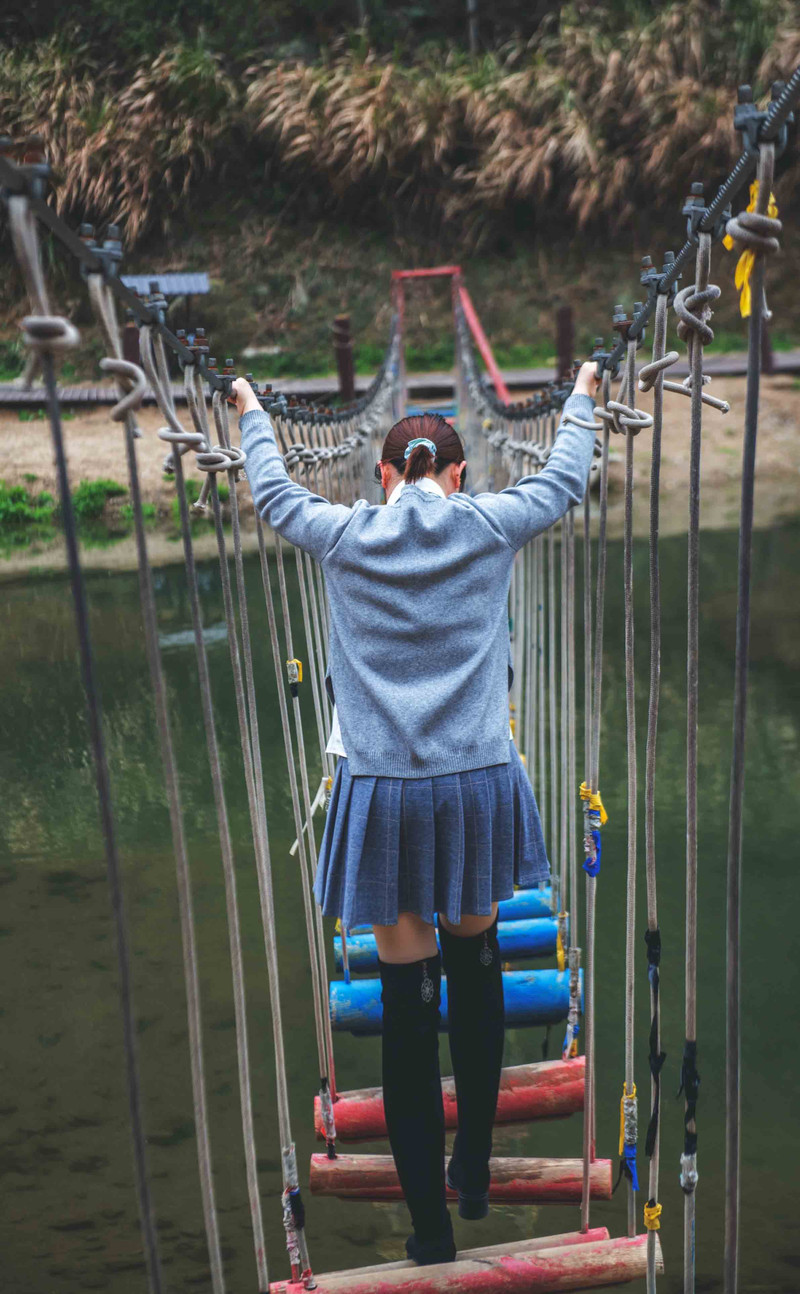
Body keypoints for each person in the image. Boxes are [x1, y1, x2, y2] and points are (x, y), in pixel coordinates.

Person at [232, 362, 600, 1265]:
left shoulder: (346, 533)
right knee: (477, 973)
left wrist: (247, 410)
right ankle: (473, 1172)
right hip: (476, 787)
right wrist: (585, 391)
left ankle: (429, 1231)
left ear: (386, 476)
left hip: (385, 797)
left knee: (407, 1008)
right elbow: (563, 477)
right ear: (461, 475)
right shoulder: (488, 524)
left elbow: (274, 493)